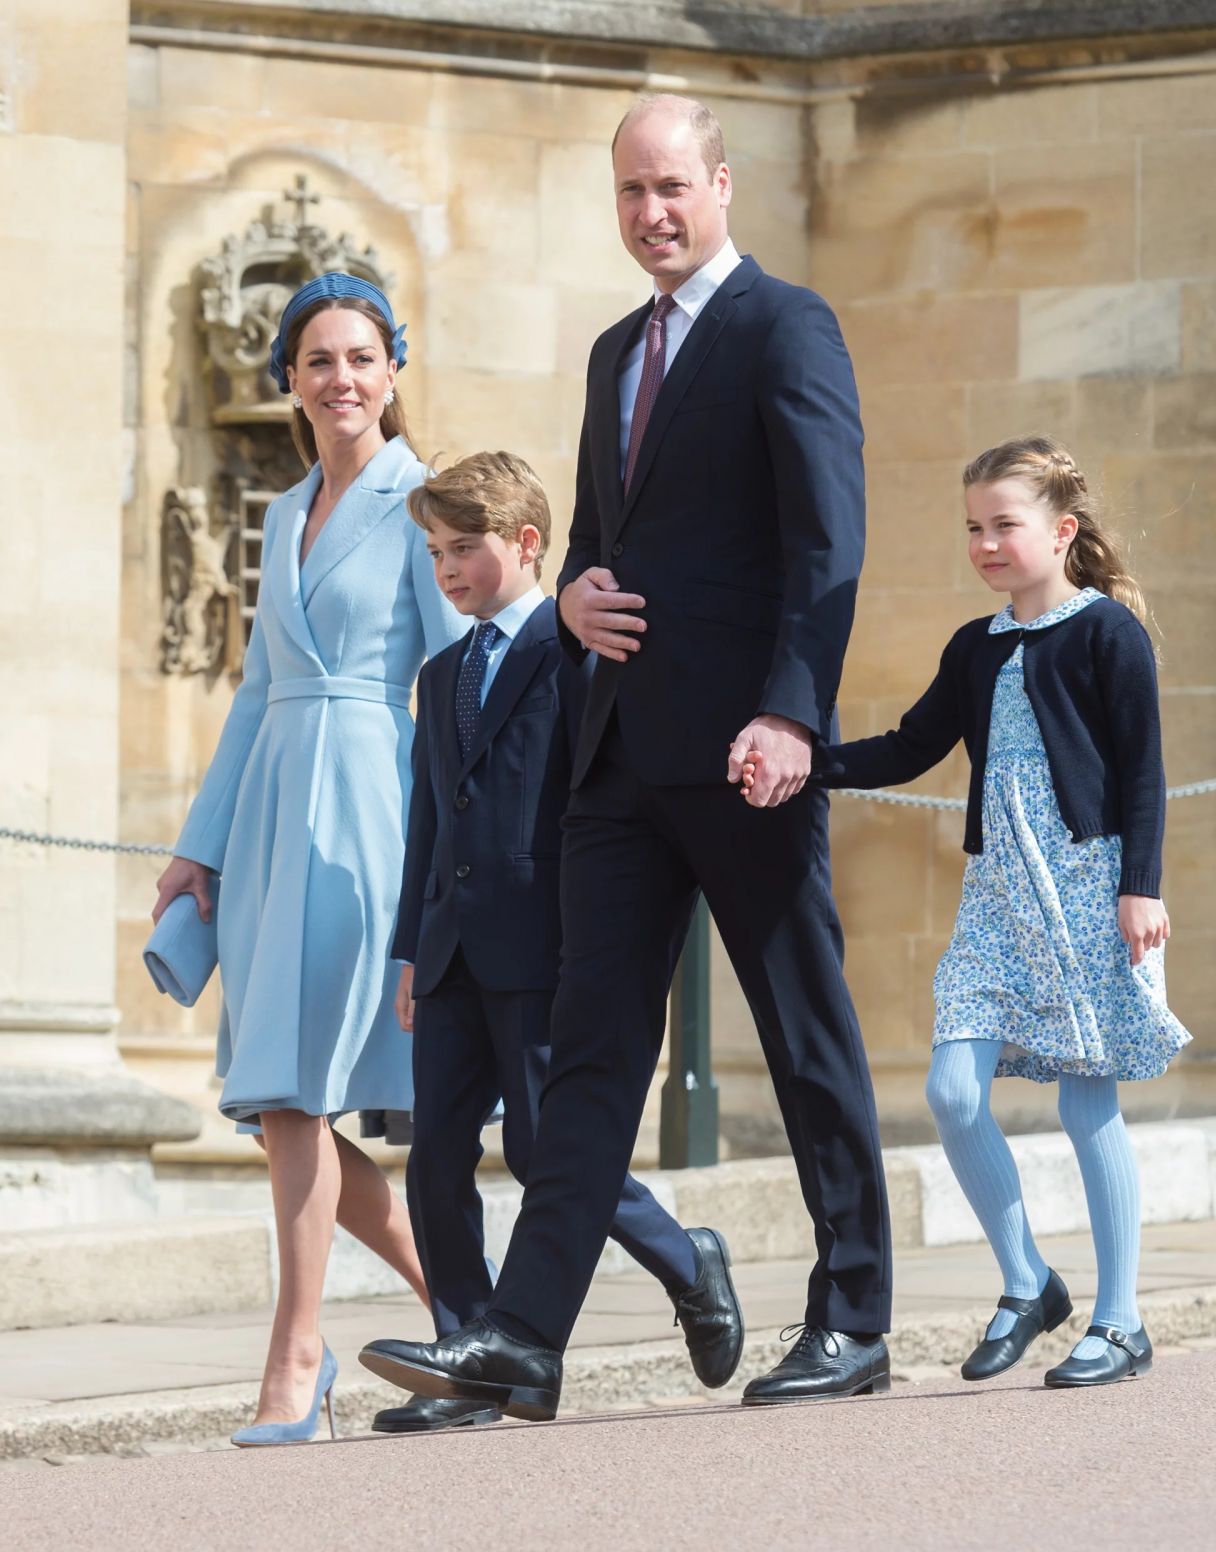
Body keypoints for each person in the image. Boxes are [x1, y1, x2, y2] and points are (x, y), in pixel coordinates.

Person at [360, 93, 893, 1420]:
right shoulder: (613, 354)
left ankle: (856, 1315)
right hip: (614, 768)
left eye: (672, 188)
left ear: (719, 184)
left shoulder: (787, 327)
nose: (651, 214)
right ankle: (526, 1337)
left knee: (803, 1031)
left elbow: (827, 545)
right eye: (629, 194)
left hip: (743, 755)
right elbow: (598, 536)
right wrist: (582, 600)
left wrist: (792, 715)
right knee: (588, 1058)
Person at [771, 434, 1191, 1387]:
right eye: (974, 527)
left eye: (1006, 524)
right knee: (953, 1095)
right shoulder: (976, 646)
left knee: (1090, 1106)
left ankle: (1121, 1322)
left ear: (1061, 529)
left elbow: (1143, 769)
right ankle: (1029, 1282)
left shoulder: (1106, 634)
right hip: (997, 896)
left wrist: (1143, 887)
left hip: (1090, 887)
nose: (987, 543)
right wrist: (808, 759)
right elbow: (911, 747)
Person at [150, 273, 468, 1445]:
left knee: (302, 1090)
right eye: (319, 358)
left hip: (372, 816)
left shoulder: (423, 501)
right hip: (277, 816)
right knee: (285, 1094)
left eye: (363, 357)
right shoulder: (283, 516)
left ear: (393, 373)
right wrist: (199, 849)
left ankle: (297, 1355)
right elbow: (250, 693)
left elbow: (453, 684)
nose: (342, 378)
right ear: (289, 378)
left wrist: (456, 851)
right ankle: (459, 1312)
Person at [363, 451, 743, 1432]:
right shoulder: (440, 673)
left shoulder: (576, 658)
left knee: (543, 1150)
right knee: (435, 1162)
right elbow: (427, 822)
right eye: (435, 552)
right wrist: (410, 946)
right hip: (450, 951)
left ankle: (685, 1255)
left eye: (464, 549)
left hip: (547, 947)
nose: (446, 569)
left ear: (527, 544)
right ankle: (469, 1364)